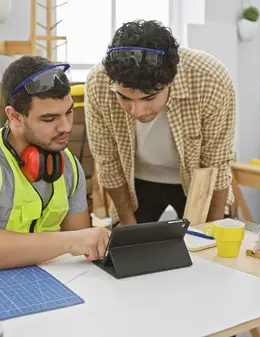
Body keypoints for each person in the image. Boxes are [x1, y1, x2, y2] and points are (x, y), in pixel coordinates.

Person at [0, 56, 111, 278]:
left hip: (39, 282)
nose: (66, 127)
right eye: (48, 119)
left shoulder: (69, 166)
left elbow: (81, 251)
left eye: (68, 112)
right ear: (14, 116)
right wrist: (70, 241)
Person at [85, 20, 236, 226]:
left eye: (148, 98)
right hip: (135, 182)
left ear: (171, 82)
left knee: (206, 247)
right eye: (125, 98)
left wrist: (211, 231)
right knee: (127, 250)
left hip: (196, 182)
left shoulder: (210, 79)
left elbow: (216, 163)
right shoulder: (98, 82)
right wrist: (129, 228)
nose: (137, 111)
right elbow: (107, 160)